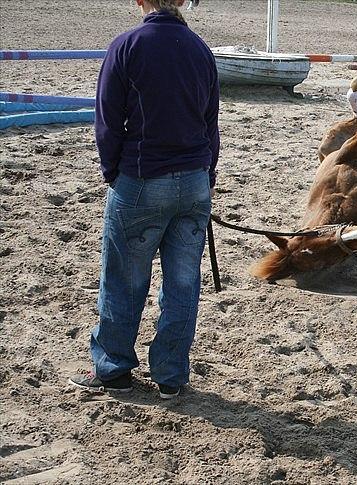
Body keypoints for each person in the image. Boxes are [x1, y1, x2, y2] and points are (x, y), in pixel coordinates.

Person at [69, 0, 219, 399]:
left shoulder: (127, 45)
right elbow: (210, 122)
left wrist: (111, 173)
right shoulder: (199, 48)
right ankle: (170, 376)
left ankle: (113, 368)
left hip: (142, 177)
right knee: (183, 284)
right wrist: (208, 175)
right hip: (194, 180)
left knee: (124, 279)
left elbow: (107, 120)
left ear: (141, 1)